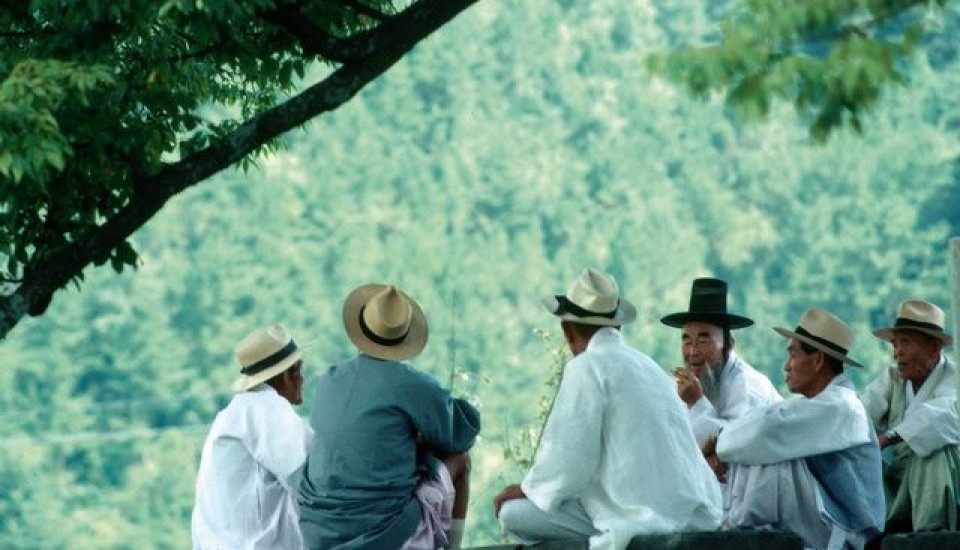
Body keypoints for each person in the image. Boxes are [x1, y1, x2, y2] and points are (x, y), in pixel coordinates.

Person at [494, 268, 722, 550]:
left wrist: (529, 490)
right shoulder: (649, 367)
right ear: (618, 326)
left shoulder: (585, 367)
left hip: (636, 516)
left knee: (512, 513)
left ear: (567, 331)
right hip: (692, 513)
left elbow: (570, 459)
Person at [299, 284, 481, 550]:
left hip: (318, 532)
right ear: (405, 336)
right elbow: (460, 435)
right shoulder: (413, 385)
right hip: (382, 533)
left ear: (362, 328)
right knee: (461, 461)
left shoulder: (329, 379)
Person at [703, 308, 885, 550]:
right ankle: (739, 526)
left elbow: (768, 430)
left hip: (845, 533)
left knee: (768, 446)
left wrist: (719, 442)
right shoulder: (813, 406)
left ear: (818, 360)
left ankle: (742, 527)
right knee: (758, 440)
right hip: (822, 527)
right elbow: (767, 423)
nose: (786, 367)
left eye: (792, 356)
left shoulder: (843, 406)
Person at [191, 324, 314, 550]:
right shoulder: (266, 409)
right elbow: (313, 482)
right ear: (288, 375)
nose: (303, 380)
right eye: (299, 371)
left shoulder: (233, 414)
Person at [862, 299, 960, 532]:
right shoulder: (892, 377)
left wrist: (888, 438)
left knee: (933, 447)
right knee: (858, 461)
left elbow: (941, 416)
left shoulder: (954, 378)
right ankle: (876, 531)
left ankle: (931, 533)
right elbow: (862, 413)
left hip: (942, 483)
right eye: (895, 344)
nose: (897, 352)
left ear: (934, 348)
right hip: (898, 486)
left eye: (905, 342)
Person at [660, 277, 782, 447]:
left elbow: (736, 443)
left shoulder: (747, 385)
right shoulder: (687, 385)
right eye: (687, 341)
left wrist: (696, 402)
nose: (693, 351)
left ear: (729, 345)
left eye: (703, 341)